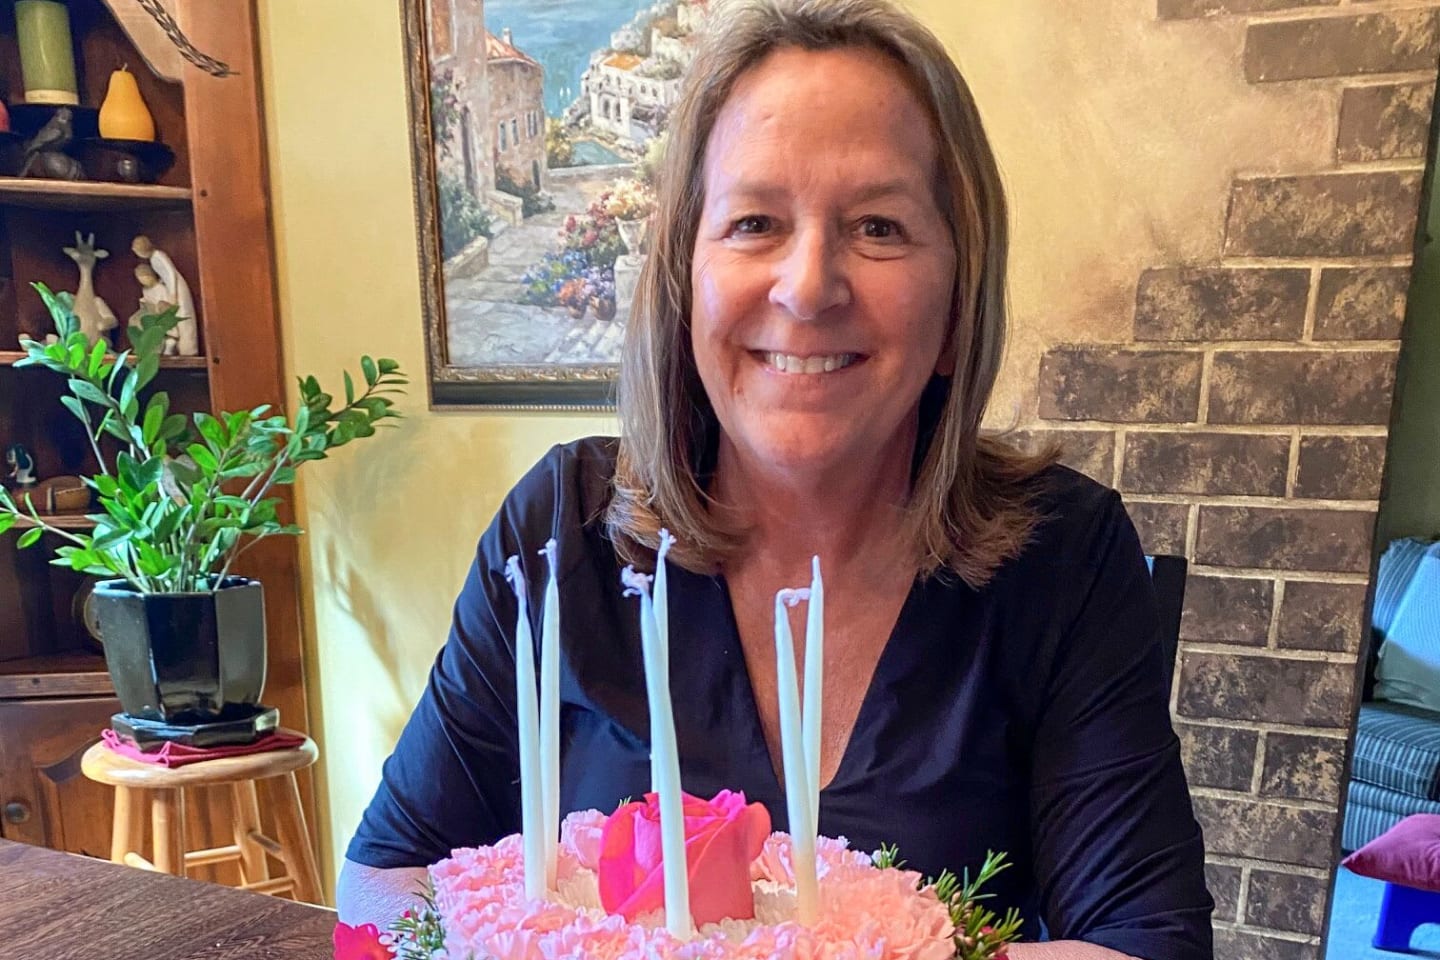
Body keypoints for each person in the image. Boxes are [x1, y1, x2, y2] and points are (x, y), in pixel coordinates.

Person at [340, 1, 1213, 956]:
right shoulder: (562, 528)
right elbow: (383, 876)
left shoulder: (1064, 554)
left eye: (879, 226)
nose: (808, 286)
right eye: (755, 221)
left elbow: (1146, 942)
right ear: (683, 280)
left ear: (960, 301)